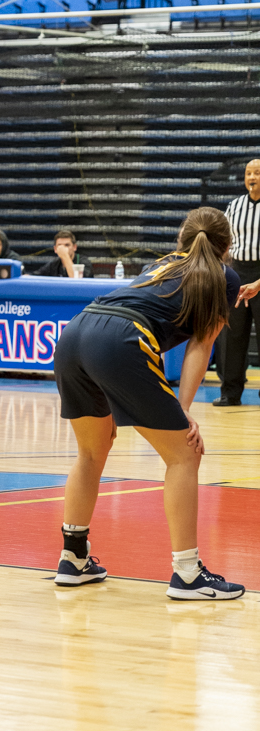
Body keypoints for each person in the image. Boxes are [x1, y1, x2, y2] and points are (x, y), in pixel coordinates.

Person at [53, 206, 244, 600]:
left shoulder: (168, 263)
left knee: (91, 452)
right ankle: (188, 573)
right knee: (184, 456)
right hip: (120, 338)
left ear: (182, 240)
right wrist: (184, 409)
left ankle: (73, 558)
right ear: (230, 245)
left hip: (77, 331)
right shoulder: (224, 276)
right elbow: (201, 344)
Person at [214, 158, 260, 406]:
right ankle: (230, 393)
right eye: (248, 173)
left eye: (257, 173)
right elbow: (222, 241)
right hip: (237, 272)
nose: (252, 177)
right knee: (232, 336)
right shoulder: (234, 206)